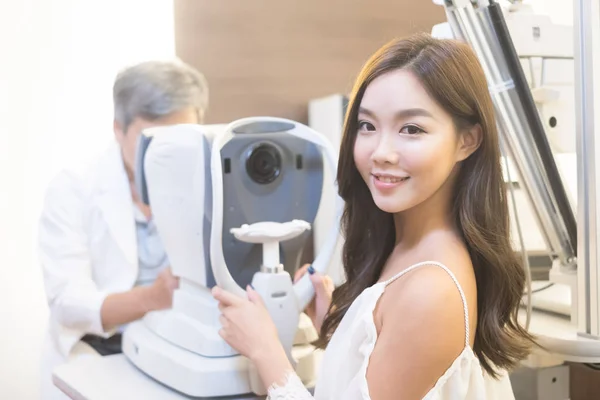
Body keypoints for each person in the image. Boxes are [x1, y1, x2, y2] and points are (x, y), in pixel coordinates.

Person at [212, 33, 536, 399]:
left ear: (467, 141)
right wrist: (345, 331)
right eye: (367, 125)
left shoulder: (432, 291)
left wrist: (264, 351)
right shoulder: (409, 247)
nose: (381, 152)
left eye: (411, 129)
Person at [38, 60, 209, 399]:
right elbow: (67, 302)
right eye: (153, 138)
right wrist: (151, 298)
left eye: (181, 136)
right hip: (97, 352)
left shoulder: (206, 180)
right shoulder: (73, 188)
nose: (167, 151)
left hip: (176, 349)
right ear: (118, 128)